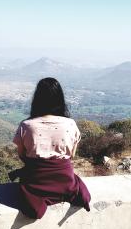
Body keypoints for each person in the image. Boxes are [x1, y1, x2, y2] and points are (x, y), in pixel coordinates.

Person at [9, 77, 91, 219]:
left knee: (32, 209)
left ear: (37, 99)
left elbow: (22, 155)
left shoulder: (26, 125)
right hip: (65, 180)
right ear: (60, 99)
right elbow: (72, 155)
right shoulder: (71, 124)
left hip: (36, 181)